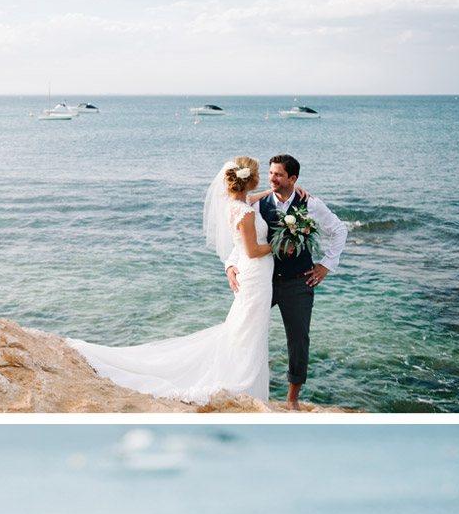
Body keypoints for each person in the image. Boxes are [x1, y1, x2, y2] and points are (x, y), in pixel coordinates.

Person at [70, 155, 274, 407]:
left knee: (245, 325)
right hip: (255, 273)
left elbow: (250, 201)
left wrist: (271, 191)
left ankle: (242, 370)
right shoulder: (245, 214)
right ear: (250, 179)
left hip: (252, 273)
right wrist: (278, 245)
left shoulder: (235, 204)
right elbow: (253, 250)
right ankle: (241, 377)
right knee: (249, 327)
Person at [253, 151, 348, 411]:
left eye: (278, 175)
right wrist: (230, 266)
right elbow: (240, 235)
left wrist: (326, 265)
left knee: (298, 340)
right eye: (270, 173)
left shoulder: (311, 204)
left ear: (292, 178)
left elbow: (339, 230)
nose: (272, 178)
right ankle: (245, 383)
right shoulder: (257, 204)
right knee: (247, 329)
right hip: (265, 280)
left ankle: (292, 398)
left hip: (299, 282)